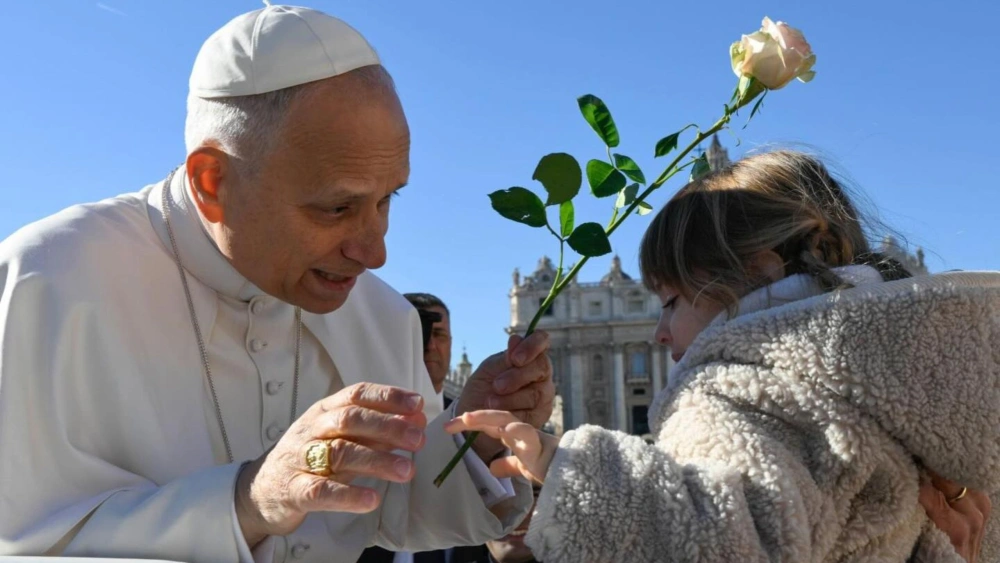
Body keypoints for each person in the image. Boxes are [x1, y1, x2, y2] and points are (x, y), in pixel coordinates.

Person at [0, 6, 555, 563]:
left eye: (388, 199)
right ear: (212, 182)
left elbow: (392, 509)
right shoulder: (48, 281)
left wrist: (470, 444)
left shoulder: (380, 315)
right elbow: (20, 538)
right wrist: (246, 500)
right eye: (338, 207)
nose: (376, 252)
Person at [447, 150, 999, 562]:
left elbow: (724, 536)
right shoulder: (919, 369)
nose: (660, 334)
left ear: (759, 271)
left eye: (669, 302)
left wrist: (571, 468)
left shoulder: (738, 389)